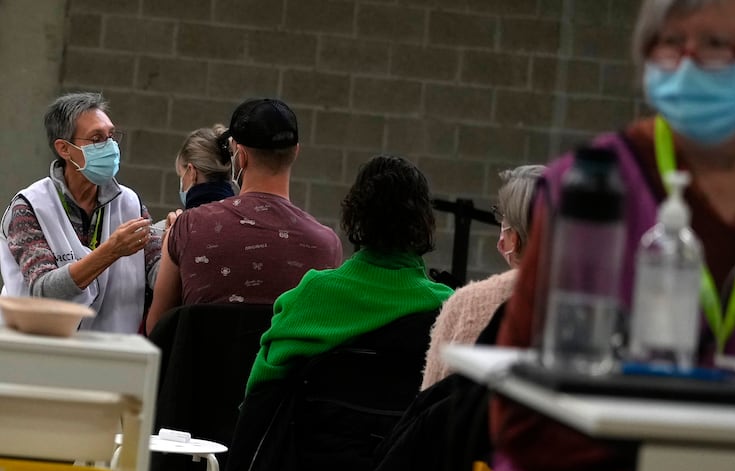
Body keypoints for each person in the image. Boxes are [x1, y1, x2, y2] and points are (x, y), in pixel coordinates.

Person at [487, 0, 735, 471]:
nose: (687, 64)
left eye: (717, 46)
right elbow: (522, 422)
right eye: (670, 45)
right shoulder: (586, 184)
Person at [244, 154, 454, 393]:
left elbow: (259, 395)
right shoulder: (448, 310)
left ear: (356, 214)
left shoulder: (311, 295)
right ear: (424, 220)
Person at [145, 98, 343, 334]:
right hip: (279, 371)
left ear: (241, 157)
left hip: (199, 370)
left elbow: (157, 328)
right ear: (296, 152)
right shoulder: (326, 245)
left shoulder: (189, 226)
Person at [0, 92, 160, 334]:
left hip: (111, 354)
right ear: (64, 148)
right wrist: (110, 251)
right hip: (36, 353)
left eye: (111, 136)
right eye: (97, 139)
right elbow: (43, 292)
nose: (110, 147)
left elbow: (158, 274)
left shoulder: (130, 204)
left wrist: (180, 242)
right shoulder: (30, 207)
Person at [420, 164, 543, 390]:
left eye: (504, 223)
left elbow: (428, 397)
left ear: (514, 238)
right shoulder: (595, 315)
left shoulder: (466, 304)